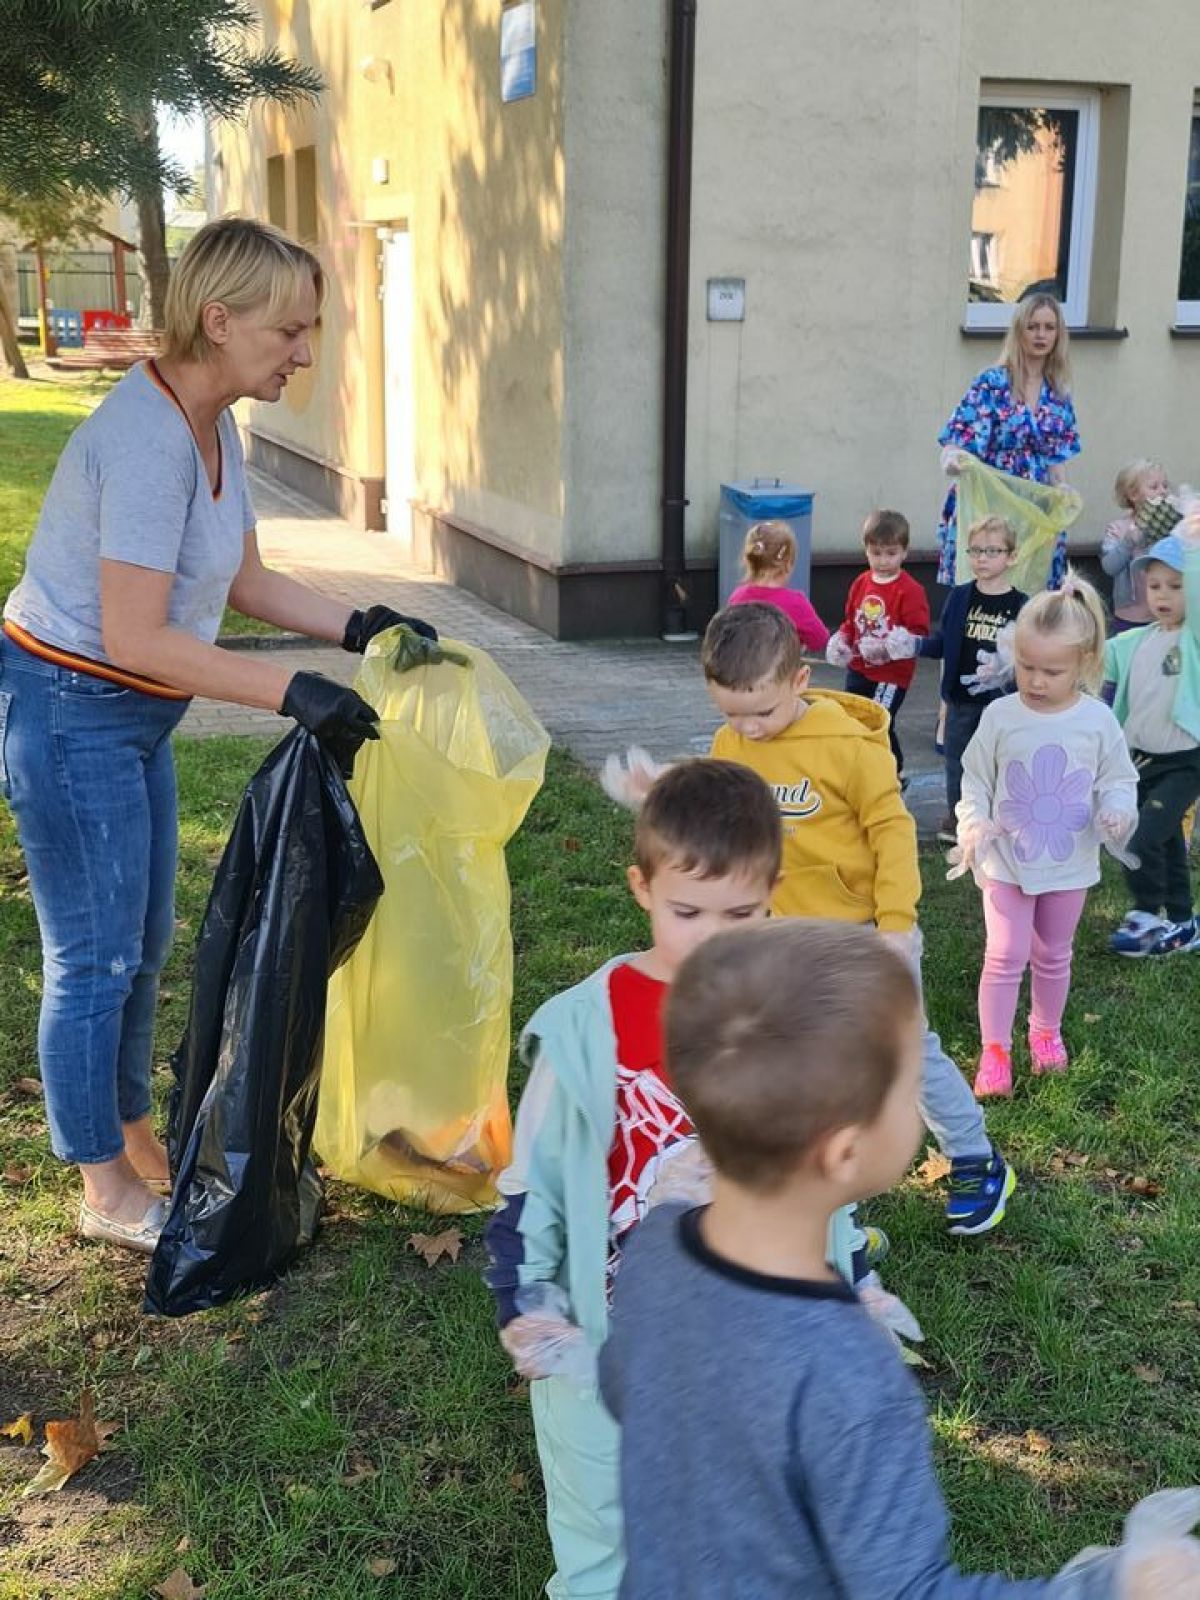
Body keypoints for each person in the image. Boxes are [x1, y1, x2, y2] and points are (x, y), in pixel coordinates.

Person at [0, 216, 435, 1255]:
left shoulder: (213, 427)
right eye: (290, 330)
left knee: (142, 946)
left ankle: (131, 1137)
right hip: (68, 708)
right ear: (219, 319)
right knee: (95, 957)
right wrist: (292, 691)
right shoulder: (146, 441)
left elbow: (243, 580)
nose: (304, 352)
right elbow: (136, 634)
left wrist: (358, 625)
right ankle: (102, 1186)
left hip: (129, 712)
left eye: (309, 330)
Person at [599, 920, 1193, 1599]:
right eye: (910, 1083)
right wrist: (1116, 1586)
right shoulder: (849, 1371)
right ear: (846, 1151)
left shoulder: (656, 1243)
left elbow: (623, 1386)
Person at [482, 759, 781, 1600]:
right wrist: (526, 1298)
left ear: (772, 899)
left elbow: (809, 1179)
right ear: (642, 889)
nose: (713, 938)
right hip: (602, 1340)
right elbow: (531, 1182)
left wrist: (849, 1280)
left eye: (741, 914)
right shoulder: (588, 1026)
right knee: (603, 1536)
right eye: (688, 912)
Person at [703, 602, 1014, 1238]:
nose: (748, 729)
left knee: (904, 1052)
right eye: (731, 714)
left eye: (761, 712)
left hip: (869, 935)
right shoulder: (730, 744)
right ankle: (832, 1216)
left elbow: (892, 832)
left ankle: (975, 1158)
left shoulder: (848, 747)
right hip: (785, 941)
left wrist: (896, 924)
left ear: (800, 681)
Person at [954, 576, 1138, 1097]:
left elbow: (1118, 778)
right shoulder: (1000, 715)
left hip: (1068, 863)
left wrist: (1117, 809)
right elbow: (976, 778)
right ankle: (995, 1049)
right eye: (1026, 666)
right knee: (1003, 953)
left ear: (1084, 663)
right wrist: (973, 821)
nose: (1035, 680)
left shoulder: (1097, 721)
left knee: (1054, 953)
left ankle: (1044, 1031)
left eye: (1051, 671)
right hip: (1005, 859)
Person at [877, 515, 1026, 839]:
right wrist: (913, 644)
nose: (982, 558)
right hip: (960, 700)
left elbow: (1028, 654)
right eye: (975, 550)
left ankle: (999, 819)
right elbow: (943, 642)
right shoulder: (960, 597)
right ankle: (960, 821)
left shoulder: (1021, 605)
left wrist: (1006, 668)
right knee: (957, 761)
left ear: (1011, 556)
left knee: (998, 762)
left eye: (992, 551)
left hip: (1000, 704)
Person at [937, 296, 1081, 592]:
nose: (1041, 335)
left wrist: (1062, 488)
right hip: (991, 501)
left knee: (1029, 595)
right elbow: (956, 439)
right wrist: (951, 460)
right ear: (1019, 330)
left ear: (1059, 334)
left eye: (1049, 327)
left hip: (1034, 507)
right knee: (984, 588)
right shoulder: (992, 382)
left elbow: (1056, 458)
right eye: (1032, 326)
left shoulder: (1059, 392)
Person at [1104, 530, 1200, 956]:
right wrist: (1069, 609)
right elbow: (1089, 651)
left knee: (1140, 838)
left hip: (1185, 763)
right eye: (1155, 585)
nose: (1163, 594)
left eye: (1176, 586)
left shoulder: (1192, 639)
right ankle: (1183, 922)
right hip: (1142, 761)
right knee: (1166, 841)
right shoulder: (1136, 641)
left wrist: (1193, 545)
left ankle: (1144, 914)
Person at [825, 509, 929, 776]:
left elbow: (919, 633)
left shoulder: (910, 590)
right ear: (866, 551)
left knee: (879, 720)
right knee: (853, 718)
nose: (883, 561)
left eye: (891, 553)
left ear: (905, 552)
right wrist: (841, 640)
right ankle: (864, 768)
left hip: (892, 674)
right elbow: (851, 622)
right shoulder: (861, 583)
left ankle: (894, 771)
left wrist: (890, 648)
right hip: (859, 667)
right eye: (876, 553)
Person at [726, 519, 829, 653]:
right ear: (787, 564)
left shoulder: (737, 596)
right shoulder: (795, 603)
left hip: (742, 664)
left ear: (749, 561)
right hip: (781, 665)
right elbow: (820, 639)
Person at [1100, 460, 1179, 632]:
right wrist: (1128, 542)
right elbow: (1109, 567)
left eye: (1165, 486)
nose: (1163, 491)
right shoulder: (1117, 529)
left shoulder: (1172, 529)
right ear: (1133, 495)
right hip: (1130, 615)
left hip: (1166, 614)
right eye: (1154, 487)